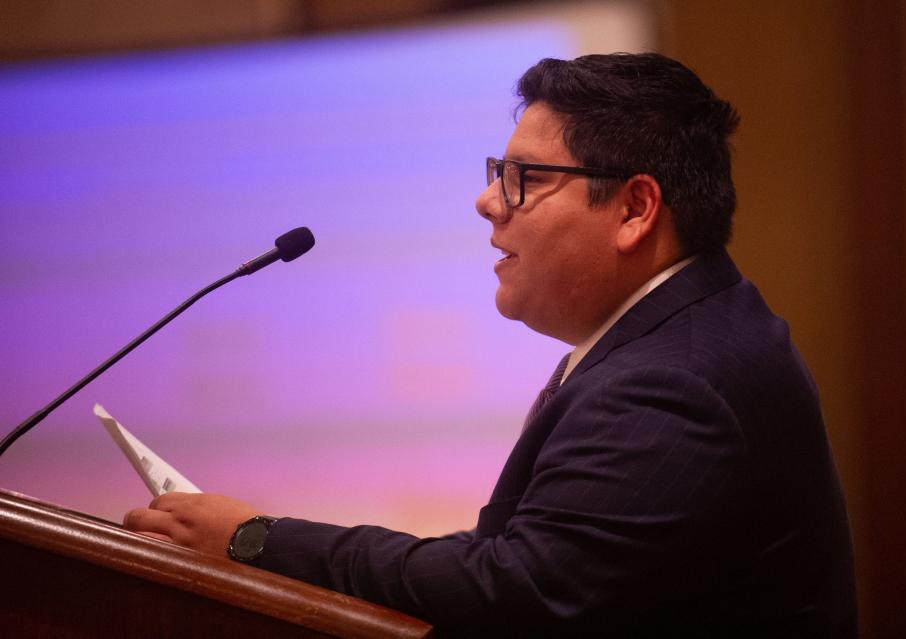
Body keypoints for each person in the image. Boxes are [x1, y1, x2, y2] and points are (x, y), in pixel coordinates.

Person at [124, 52, 857, 637]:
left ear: (635, 208)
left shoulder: (675, 381)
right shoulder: (681, 333)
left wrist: (254, 539)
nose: (487, 201)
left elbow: (516, 595)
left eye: (524, 179)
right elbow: (512, 566)